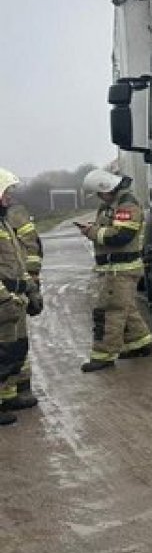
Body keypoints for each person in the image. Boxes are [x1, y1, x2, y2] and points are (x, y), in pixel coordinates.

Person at [78, 170, 152, 372]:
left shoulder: (126, 205)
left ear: (106, 188)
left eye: (99, 193)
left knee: (109, 311)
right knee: (125, 308)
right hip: (116, 269)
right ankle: (140, 344)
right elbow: (112, 229)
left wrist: (92, 232)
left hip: (120, 270)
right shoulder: (112, 205)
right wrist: (94, 228)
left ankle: (103, 356)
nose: (99, 197)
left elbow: (121, 236)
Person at [0, 168, 37, 424]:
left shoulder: (4, 223)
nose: (10, 198)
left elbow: (17, 262)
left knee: (14, 349)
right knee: (2, 352)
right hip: (4, 300)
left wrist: (31, 288)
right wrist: (4, 298)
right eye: (6, 193)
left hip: (13, 298)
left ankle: (7, 396)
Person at [6, 191, 43, 397]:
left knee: (17, 340)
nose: (8, 197)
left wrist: (32, 283)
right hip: (9, 289)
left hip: (16, 288)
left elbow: (30, 248)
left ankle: (20, 385)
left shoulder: (13, 215)